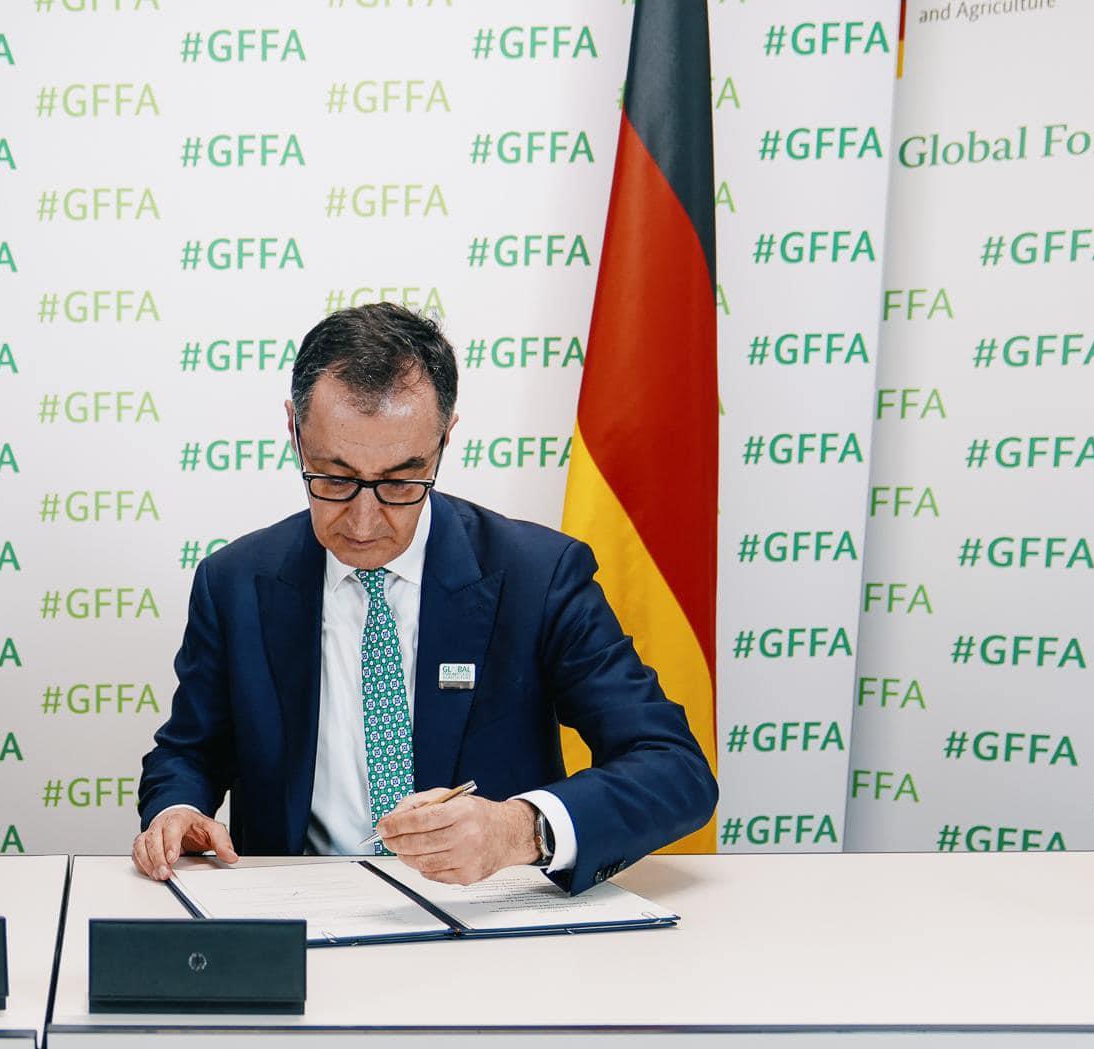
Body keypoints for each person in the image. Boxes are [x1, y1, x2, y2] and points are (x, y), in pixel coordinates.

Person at [134, 303, 715, 895]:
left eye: (400, 482)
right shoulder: (234, 582)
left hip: (489, 915)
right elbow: (189, 753)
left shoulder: (537, 577)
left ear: (443, 441)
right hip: (299, 909)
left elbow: (676, 769)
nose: (364, 521)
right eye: (334, 478)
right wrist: (177, 811)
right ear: (294, 431)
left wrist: (521, 829)